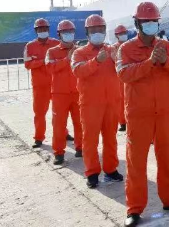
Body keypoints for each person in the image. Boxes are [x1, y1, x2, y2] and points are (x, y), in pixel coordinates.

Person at [116, 2, 169, 227]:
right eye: (146, 22)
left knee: (165, 157)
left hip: (164, 111)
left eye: (153, 21)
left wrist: (165, 61)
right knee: (136, 162)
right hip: (139, 113)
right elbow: (123, 74)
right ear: (137, 24)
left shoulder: (165, 46)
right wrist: (150, 63)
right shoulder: (126, 48)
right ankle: (134, 208)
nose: (150, 25)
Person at [71, 15, 123, 189]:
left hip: (111, 103)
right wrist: (96, 61)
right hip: (90, 104)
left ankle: (110, 169)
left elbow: (124, 70)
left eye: (100, 29)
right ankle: (92, 173)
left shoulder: (112, 50)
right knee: (90, 140)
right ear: (87, 32)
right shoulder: (79, 52)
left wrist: (117, 60)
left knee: (110, 138)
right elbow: (78, 71)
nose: (98, 33)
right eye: (93, 30)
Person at [46, 20, 83, 165]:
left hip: (78, 93)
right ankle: (59, 153)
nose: (68, 34)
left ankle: (81, 147)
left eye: (70, 32)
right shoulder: (52, 51)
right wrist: (66, 59)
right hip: (59, 94)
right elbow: (49, 68)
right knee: (59, 125)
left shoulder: (80, 50)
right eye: (65, 32)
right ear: (59, 34)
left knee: (80, 123)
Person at [23, 18, 59, 148]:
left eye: (44, 28)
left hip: (56, 85)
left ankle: (64, 133)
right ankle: (39, 137)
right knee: (39, 113)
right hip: (40, 86)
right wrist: (43, 61)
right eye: (40, 29)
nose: (42, 30)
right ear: (36, 31)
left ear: (48, 29)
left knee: (59, 113)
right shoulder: (30, 46)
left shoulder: (56, 43)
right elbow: (27, 64)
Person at [112, 25, 129, 132]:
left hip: (130, 76)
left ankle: (129, 120)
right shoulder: (113, 48)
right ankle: (122, 122)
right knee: (120, 100)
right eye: (121, 33)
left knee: (131, 99)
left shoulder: (131, 45)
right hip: (118, 78)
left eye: (124, 33)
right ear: (116, 35)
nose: (123, 35)